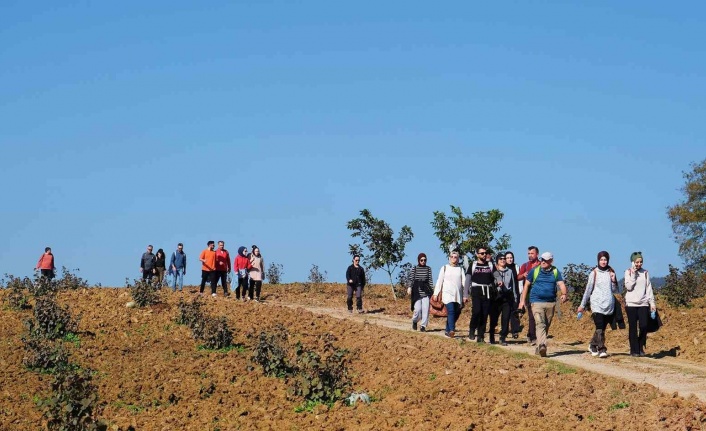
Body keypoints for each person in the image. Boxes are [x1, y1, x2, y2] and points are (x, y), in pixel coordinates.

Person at [518, 251, 568, 357]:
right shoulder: (534, 271)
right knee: (540, 324)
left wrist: (564, 294)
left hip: (550, 303)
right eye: (542, 259)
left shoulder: (555, 271)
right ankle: (542, 345)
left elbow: (561, 284)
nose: (543, 262)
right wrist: (522, 301)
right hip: (536, 302)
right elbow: (526, 286)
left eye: (546, 260)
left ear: (551, 261)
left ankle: (538, 346)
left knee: (546, 325)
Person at [578, 251, 620, 358]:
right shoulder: (594, 273)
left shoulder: (611, 272)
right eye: (601, 259)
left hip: (608, 304)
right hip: (597, 304)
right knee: (599, 325)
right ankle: (602, 349)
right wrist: (582, 305)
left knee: (601, 328)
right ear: (598, 260)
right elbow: (588, 290)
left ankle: (592, 345)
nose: (603, 262)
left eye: (605, 259)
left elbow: (615, 290)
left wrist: (614, 280)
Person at [624, 252, 656, 357]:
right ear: (632, 262)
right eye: (637, 262)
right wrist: (633, 274)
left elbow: (648, 288)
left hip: (643, 303)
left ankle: (640, 346)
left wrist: (652, 303)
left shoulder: (645, 273)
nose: (639, 264)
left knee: (644, 326)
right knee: (633, 327)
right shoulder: (628, 272)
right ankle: (634, 350)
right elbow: (629, 287)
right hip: (631, 304)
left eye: (641, 262)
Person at [464, 247, 496, 343]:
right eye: (482, 253)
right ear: (477, 254)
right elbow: (467, 280)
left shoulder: (490, 265)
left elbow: (496, 274)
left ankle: (481, 335)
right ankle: (472, 329)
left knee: (484, 313)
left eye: (485, 253)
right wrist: (465, 294)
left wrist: (499, 281)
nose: (484, 255)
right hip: (476, 290)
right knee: (477, 311)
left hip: (487, 291)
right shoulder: (473, 265)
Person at [432, 250, 466, 338]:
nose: (453, 258)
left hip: (457, 295)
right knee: (451, 311)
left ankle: (447, 330)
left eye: (455, 257)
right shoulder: (444, 268)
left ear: (458, 259)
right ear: (449, 258)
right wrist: (436, 293)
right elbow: (439, 281)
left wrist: (466, 294)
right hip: (447, 294)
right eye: (452, 257)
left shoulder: (460, 269)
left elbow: (464, 282)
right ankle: (452, 329)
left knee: (455, 313)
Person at [491, 253, 517, 345]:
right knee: (494, 318)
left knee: (505, 318)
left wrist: (515, 297)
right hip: (497, 298)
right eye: (500, 259)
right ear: (497, 261)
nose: (503, 260)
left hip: (507, 297)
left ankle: (503, 337)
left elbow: (513, 285)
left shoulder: (510, 271)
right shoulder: (494, 271)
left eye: (504, 259)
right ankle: (491, 335)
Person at [517, 246, 541, 345]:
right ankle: (533, 337)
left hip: (540, 293)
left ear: (537, 254)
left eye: (532, 253)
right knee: (532, 315)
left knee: (538, 316)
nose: (530, 255)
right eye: (528, 253)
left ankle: (530, 334)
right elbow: (518, 277)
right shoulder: (525, 265)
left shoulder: (541, 265)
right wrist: (523, 275)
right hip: (528, 293)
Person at [406, 253, 433, 332]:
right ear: (418, 260)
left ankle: (423, 326)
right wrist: (409, 287)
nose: (423, 261)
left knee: (426, 309)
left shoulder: (428, 269)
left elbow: (430, 280)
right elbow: (411, 279)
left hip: (426, 291)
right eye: (421, 260)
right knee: (417, 309)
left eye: (425, 260)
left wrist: (432, 292)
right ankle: (414, 321)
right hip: (416, 291)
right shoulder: (415, 268)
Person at [505, 251, 522, 339]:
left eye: (511, 257)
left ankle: (515, 331)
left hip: (515, 292)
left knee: (514, 312)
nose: (509, 259)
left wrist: (520, 291)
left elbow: (519, 280)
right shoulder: (503, 267)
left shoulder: (516, 267)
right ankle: (505, 330)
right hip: (506, 293)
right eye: (507, 258)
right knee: (506, 312)